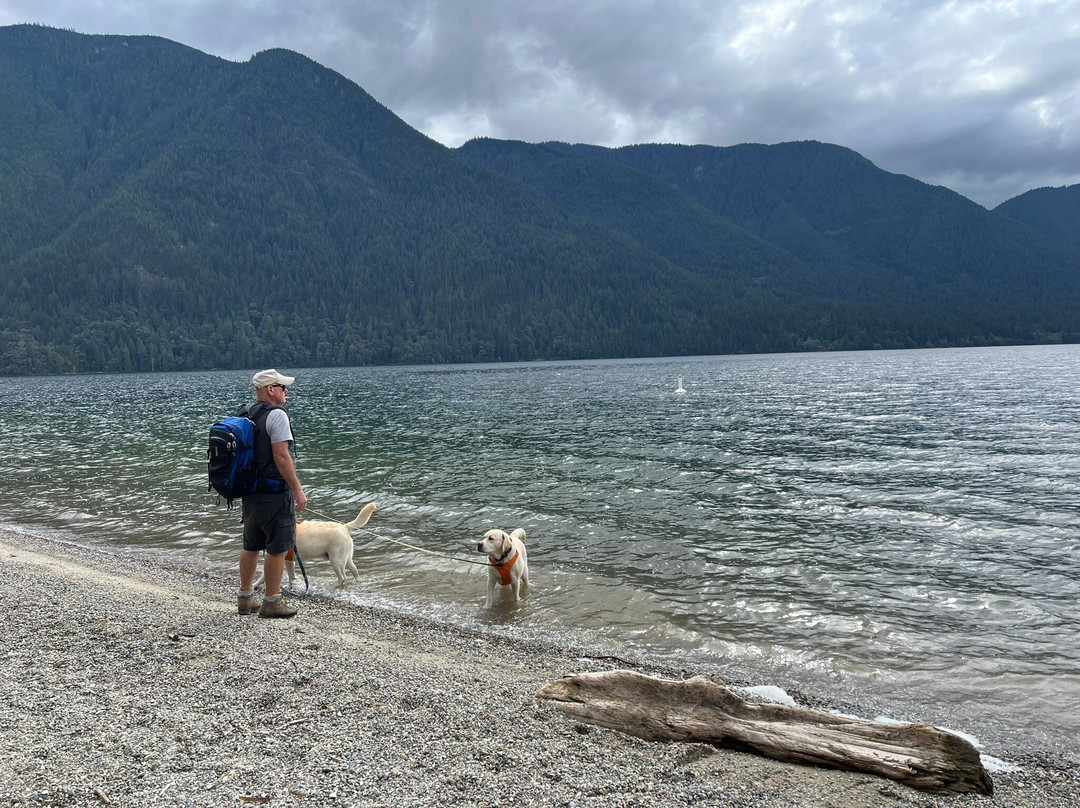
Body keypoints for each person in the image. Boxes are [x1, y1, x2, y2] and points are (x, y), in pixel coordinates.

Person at [236, 369, 308, 618]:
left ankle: (245, 597)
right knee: (277, 547)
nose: (286, 391)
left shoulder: (246, 413)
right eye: (282, 387)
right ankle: (272, 601)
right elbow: (281, 455)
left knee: (251, 544)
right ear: (270, 389)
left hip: (250, 491)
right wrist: (297, 489)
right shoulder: (277, 415)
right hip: (275, 492)